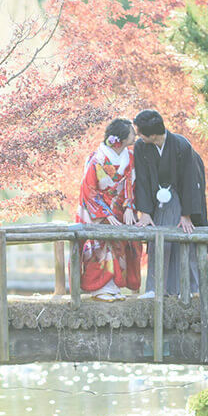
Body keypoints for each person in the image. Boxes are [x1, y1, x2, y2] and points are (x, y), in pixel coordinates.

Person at [131, 109, 208, 297]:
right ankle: (155, 288)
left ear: (153, 134)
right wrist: (145, 212)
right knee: (158, 241)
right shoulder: (142, 147)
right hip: (157, 200)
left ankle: (189, 288)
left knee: (185, 240)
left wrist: (186, 214)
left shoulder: (181, 145)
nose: (137, 136)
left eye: (140, 132)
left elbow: (191, 180)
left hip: (182, 199)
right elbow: (141, 179)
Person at [75, 118, 142, 301]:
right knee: (100, 246)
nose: (134, 135)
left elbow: (131, 183)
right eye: (131, 133)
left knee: (120, 247)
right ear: (120, 137)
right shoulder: (97, 158)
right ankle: (99, 289)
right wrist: (104, 212)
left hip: (121, 209)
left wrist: (129, 206)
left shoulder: (130, 157)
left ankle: (113, 287)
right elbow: (88, 188)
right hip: (98, 209)